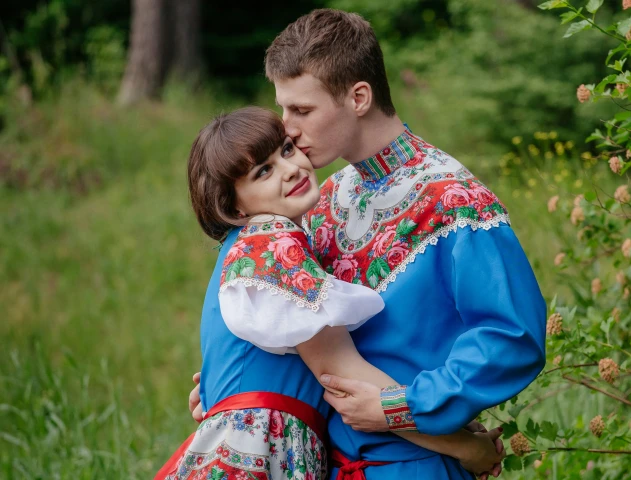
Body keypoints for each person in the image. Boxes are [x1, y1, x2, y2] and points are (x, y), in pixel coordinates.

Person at [190, 9, 547, 479]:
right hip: (325, 462)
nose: (287, 129)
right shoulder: (321, 201)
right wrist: (242, 388)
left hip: (416, 465)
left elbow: (512, 337)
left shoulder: (454, 200)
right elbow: (302, 337)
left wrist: (402, 406)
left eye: (301, 110)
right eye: (283, 109)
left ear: (358, 97)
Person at [157, 107, 505, 480]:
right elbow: (344, 378)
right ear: (233, 205)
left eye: (287, 150)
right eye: (263, 171)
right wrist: (467, 448)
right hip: (262, 453)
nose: (289, 169)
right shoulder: (274, 244)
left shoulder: (246, 247)